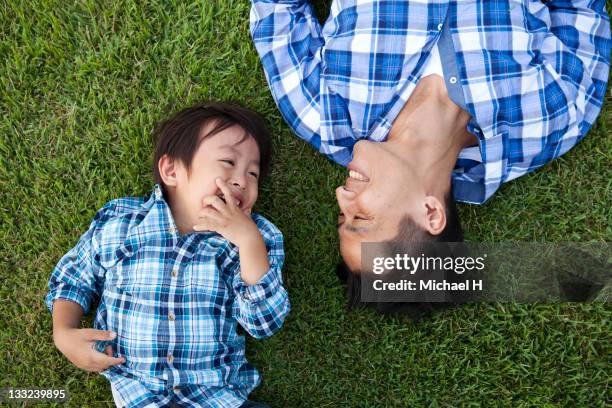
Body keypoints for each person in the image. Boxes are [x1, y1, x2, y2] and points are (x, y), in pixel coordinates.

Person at [249, 0, 610, 278]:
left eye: (339, 216)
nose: (341, 195)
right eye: (360, 218)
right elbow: (579, 10)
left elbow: (276, 15)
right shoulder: (548, 122)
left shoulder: (322, 115)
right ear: (430, 213)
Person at [45, 102, 290, 407]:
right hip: (139, 393)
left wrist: (248, 241)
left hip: (217, 396)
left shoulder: (254, 239)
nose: (242, 180)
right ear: (171, 170)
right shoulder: (124, 222)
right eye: (228, 161)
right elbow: (74, 277)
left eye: (253, 173)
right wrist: (64, 332)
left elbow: (264, 322)